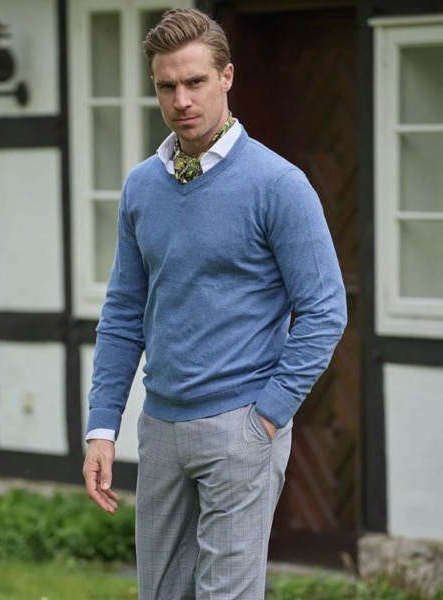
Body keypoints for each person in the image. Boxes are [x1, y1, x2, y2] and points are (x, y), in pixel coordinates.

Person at [82, 7, 347, 600]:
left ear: (227, 77)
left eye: (195, 81)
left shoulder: (278, 185)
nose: (181, 100)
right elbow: (123, 314)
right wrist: (103, 427)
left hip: (240, 427)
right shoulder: (141, 186)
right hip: (159, 430)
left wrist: (268, 416)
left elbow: (325, 309)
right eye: (166, 86)